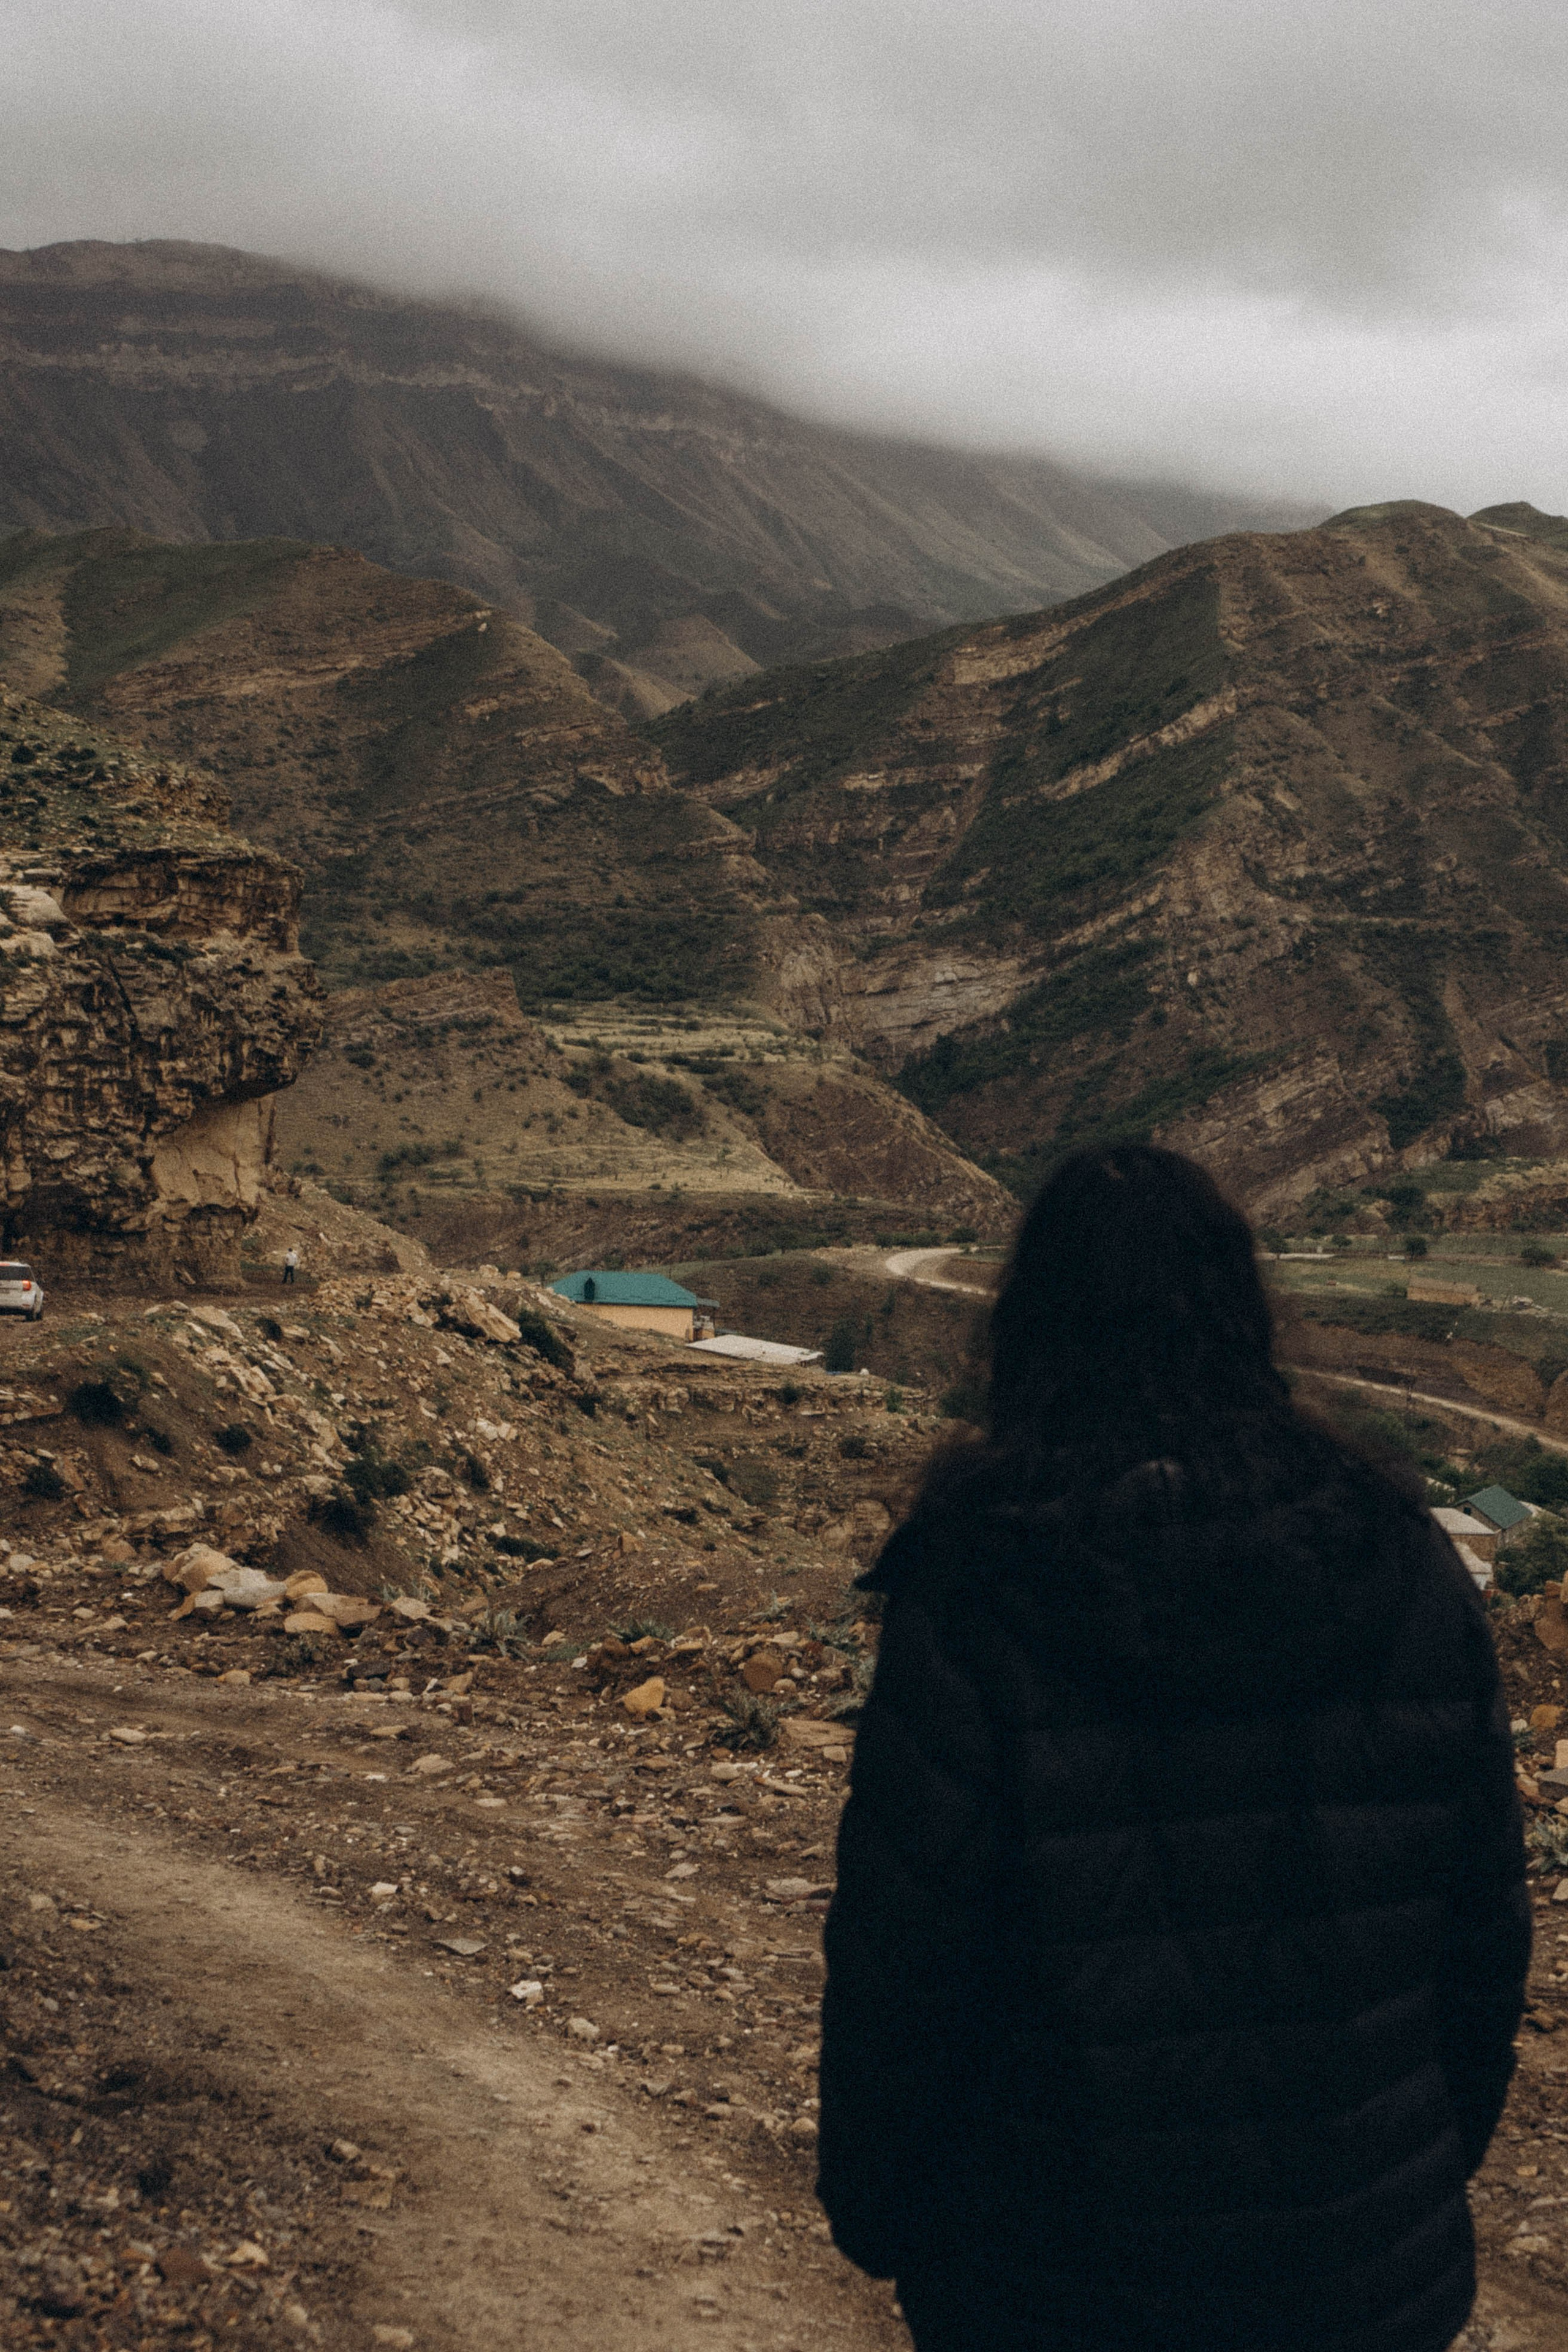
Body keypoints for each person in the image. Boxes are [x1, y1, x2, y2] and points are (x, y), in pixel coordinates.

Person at [818, 1145, 1529, 2352]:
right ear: (1241, 1313)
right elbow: (1479, 1938)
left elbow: (905, 1961)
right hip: (1357, 2278)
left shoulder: (978, 1580)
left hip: (1050, 2279)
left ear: (1031, 1329)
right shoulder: (1401, 1556)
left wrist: (882, 2215)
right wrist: (1406, 2180)